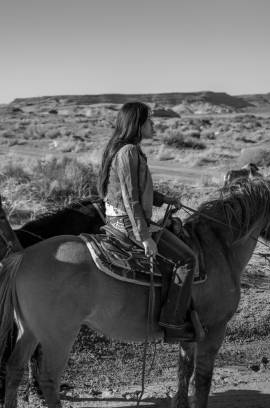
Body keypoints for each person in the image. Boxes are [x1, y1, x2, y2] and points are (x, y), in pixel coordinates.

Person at [97, 102, 198, 343]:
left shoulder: (121, 149)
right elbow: (130, 197)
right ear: (137, 124)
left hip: (119, 217)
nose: (153, 124)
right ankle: (173, 323)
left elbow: (136, 190)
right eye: (149, 120)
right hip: (128, 222)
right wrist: (144, 237)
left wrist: (164, 199)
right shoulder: (129, 152)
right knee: (187, 259)